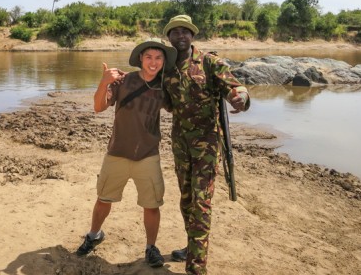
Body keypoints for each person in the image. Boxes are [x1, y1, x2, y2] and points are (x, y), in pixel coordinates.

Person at [75, 37, 178, 268]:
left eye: (158, 57)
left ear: (163, 61)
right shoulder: (123, 81)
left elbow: (181, 106)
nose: (153, 62)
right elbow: (98, 107)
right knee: (103, 200)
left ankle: (151, 247)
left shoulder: (164, 87)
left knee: (152, 205)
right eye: (149, 57)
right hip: (117, 152)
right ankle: (93, 235)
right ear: (140, 58)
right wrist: (103, 82)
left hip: (148, 155)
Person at [162, 15, 250, 275]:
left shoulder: (210, 62)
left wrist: (240, 99)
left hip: (207, 146)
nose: (180, 36)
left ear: (192, 35)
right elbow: (167, 104)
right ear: (169, 37)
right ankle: (193, 247)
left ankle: (196, 267)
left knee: (201, 203)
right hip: (180, 144)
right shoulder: (167, 68)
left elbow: (236, 88)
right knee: (186, 201)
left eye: (185, 31)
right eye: (175, 32)